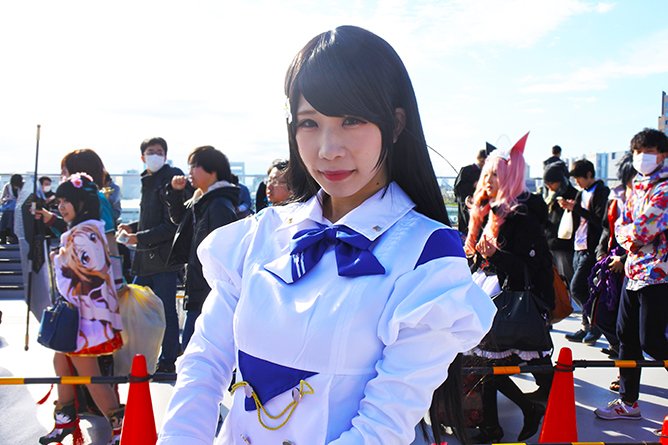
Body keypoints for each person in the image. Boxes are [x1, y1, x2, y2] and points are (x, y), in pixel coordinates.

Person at [158, 25, 495, 445]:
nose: (328, 149)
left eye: (351, 120)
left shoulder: (427, 255)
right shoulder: (259, 234)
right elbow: (203, 365)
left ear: (394, 124)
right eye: (309, 123)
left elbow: (383, 426)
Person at [465, 133, 554, 443]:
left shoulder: (521, 216)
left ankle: (511, 417)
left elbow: (528, 269)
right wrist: (479, 255)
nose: (488, 181)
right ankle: (504, 420)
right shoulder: (490, 211)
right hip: (493, 296)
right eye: (486, 174)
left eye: (495, 175)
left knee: (487, 366)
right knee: (483, 365)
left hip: (510, 302)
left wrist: (493, 255)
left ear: (510, 177)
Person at [38, 173, 124, 445]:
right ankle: (65, 420)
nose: (61, 206)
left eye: (67, 201)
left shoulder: (83, 235)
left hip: (86, 317)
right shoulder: (86, 231)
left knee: (88, 373)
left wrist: (58, 261)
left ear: (82, 203)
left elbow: (82, 278)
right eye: (60, 201)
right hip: (83, 315)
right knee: (62, 360)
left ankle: (119, 426)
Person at [595, 128, 668, 420]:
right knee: (626, 336)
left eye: (648, 152)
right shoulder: (637, 185)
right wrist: (631, 236)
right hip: (633, 271)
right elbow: (623, 227)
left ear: (663, 155)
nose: (641, 158)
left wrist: (630, 235)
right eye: (637, 152)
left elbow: (641, 231)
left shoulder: (665, 189)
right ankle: (628, 402)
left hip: (659, 274)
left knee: (653, 340)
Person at [117, 137, 184, 373]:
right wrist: (132, 228)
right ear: (142, 157)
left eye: (159, 151)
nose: (155, 155)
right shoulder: (147, 180)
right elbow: (150, 219)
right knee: (134, 306)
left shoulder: (170, 178)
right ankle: (141, 356)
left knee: (165, 312)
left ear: (165, 156)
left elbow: (171, 225)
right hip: (146, 259)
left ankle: (168, 360)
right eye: (150, 151)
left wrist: (139, 238)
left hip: (164, 260)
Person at [165, 146, 239, 349]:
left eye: (194, 166)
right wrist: (175, 193)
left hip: (208, 292)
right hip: (198, 288)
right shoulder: (201, 199)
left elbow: (223, 254)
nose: (189, 172)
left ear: (212, 171)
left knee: (193, 348)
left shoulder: (219, 205)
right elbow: (179, 219)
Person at [559, 159, 609, 345]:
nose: (577, 182)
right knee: (582, 288)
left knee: (577, 288)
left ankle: (597, 324)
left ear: (589, 175)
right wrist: (571, 207)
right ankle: (587, 326)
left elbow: (600, 221)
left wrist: (576, 208)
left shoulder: (602, 191)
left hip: (591, 247)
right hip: (578, 246)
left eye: (578, 178)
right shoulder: (581, 193)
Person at [543, 162, 578, 285]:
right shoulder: (550, 196)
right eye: (546, 183)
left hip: (564, 246)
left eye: (551, 183)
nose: (549, 186)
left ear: (560, 181)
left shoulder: (573, 195)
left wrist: (569, 207)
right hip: (550, 243)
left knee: (567, 280)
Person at [453, 149, 487, 234]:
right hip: (466, 206)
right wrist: (473, 185)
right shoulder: (466, 170)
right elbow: (458, 189)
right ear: (480, 159)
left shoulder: (485, 173)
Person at [0, 173, 23, 244]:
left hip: (19, 208)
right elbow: (2, 199)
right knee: (9, 215)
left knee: (11, 215)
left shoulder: (24, 186)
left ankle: (8, 234)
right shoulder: (7, 186)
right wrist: (7, 199)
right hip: (9, 207)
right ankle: (8, 235)